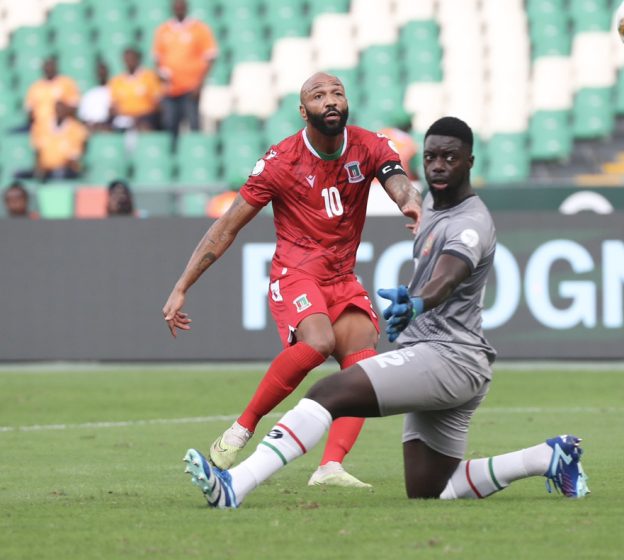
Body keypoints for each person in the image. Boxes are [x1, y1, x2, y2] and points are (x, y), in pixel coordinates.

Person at [182, 116, 590, 508]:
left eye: (450, 157)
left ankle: (236, 485)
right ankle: (547, 458)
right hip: (450, 358)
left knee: (328, 394)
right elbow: (405, 193)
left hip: (449, 356)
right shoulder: (434, 204)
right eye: (431, 156)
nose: (438, 165)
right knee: (429, 488)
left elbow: (448, 275)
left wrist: (418, 302)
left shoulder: (472, 222)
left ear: (470, 162)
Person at [163, 72, 422, 488]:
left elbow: (400, 185)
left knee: (363, 363)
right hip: (296, 272)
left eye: (337, 92)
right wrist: (182, 286)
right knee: (318, 343)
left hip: (341, 276)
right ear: (304, 111)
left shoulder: (369, 145)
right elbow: (227, 226)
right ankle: (240, 430)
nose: (331, 101)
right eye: (319, 96)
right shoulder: (281, 162)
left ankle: (330, 467)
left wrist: (413, 206)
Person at [153, 0, 218, 140]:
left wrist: (200, 84)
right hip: (170, 88)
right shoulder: (164, 30)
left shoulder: (199, 29)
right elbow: (157, 58)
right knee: (170, 124)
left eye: (181, 7)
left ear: (186, 8)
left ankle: (195, 151)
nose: (179, 10)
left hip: (190, 87)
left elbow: (210, 57)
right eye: (176, 7)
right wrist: (161, 74)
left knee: (193, 124)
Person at [30, 100, 88, 181]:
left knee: (59, 174)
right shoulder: (41, 126)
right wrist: (40, 168)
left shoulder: (77, 129)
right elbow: (37, 150)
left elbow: (74, 158)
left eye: (62, 109)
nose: (59, 111)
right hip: (45, 169)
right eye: (57, 109)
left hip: (65, 169)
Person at [110, 48, 162, 131]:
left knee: (144, 127)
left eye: (132, 59)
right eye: (127, 59)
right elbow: (114, 105)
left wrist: (139, 115)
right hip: (124, 117)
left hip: (145, 116)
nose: (129, 62)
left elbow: (157, 103)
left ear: (138, 59)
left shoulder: (150, 77)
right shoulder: (116, 81)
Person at [24, 56, 80, 130]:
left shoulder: (67, 83)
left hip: (61, 126)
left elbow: (74, 106)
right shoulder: (35, 87)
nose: (49, 69)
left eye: (51, 66)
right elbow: (29, 109)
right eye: (46, 66)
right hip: (40, 126)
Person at [78, 60, 112, 132]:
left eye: (103, 71)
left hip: (108, 127)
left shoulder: (113, 92)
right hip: (91, 127)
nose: (101, 73)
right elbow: (82, 117)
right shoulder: (89, 94)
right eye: (99, 71)